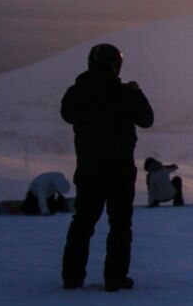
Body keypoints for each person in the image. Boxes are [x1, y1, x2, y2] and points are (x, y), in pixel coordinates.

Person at [60, 43, 154, 291]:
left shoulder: (77, 91)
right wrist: (135, 92)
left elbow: (66, 114)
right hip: (120, 170)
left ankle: (72, 277)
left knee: (82, 222)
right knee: (120, 225)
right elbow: (147, 119)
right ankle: (114, 278)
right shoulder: (123, 92)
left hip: (89, 169)